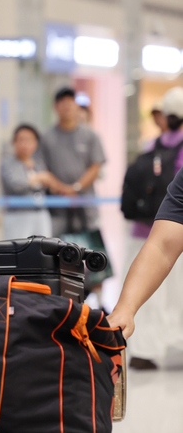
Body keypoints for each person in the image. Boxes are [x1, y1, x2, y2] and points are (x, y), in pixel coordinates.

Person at [112, 87, 183, 369]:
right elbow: (163, 246)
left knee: (160, 301)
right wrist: (125, 308)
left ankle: (148, 348)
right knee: (171, 299)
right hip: (162, 236)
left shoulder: (153, 147)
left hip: (147, 233)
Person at [39, 87, 106, 237]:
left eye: (70, 101)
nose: (67, 106)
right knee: (56, 244)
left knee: (89, 245)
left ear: (77, 106)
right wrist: (62, 189)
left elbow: (95, 166)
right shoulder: (47, 137)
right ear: (55, 107)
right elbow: (42, 169)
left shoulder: (90, 135)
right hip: (57, 206)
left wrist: (75, 188)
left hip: (86, 204)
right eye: (62, 102)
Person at [0, 124, 64, 239]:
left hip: (40, 213)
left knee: (44, 246)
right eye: (21, 140)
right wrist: (38, 178)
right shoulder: (8, 163)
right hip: (18, 214)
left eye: (29, 140)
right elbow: (16, 185)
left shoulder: (38, 163)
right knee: (18, 246)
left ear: (36, 143)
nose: (25, 144)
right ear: (14, 142)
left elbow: (50, 184)